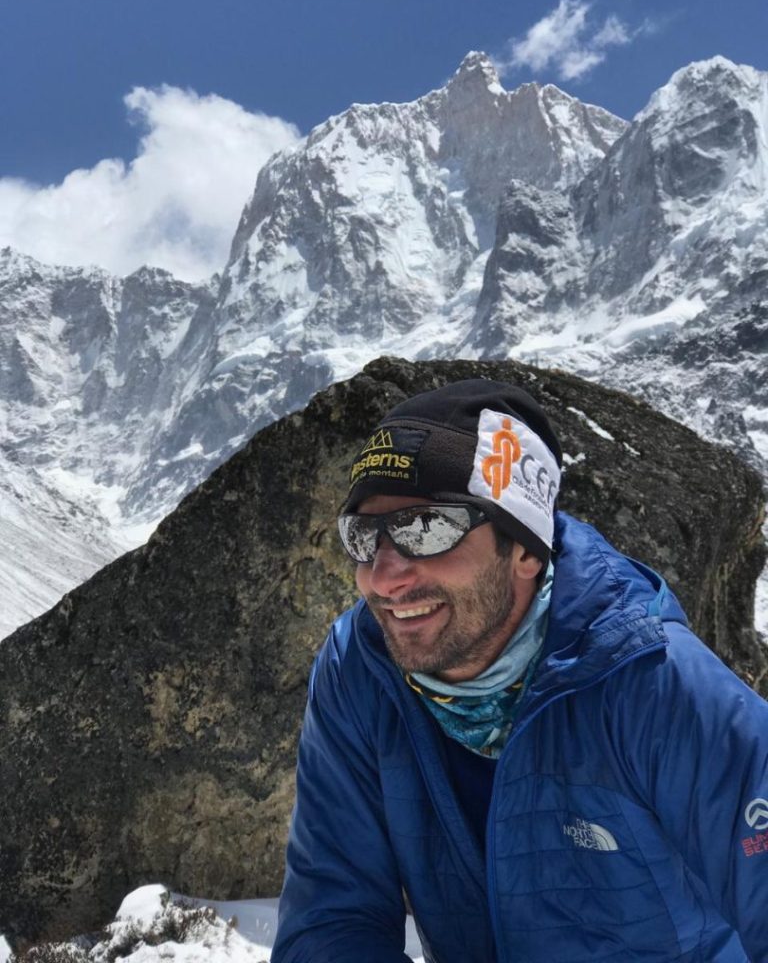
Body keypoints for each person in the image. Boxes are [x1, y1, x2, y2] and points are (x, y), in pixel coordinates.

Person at [271, 379, 768, 963]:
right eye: (364, 536)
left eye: (426, 529)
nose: (383, 577)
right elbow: (333, 921)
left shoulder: (649, 680)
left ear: (526, 549)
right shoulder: (360, 671)